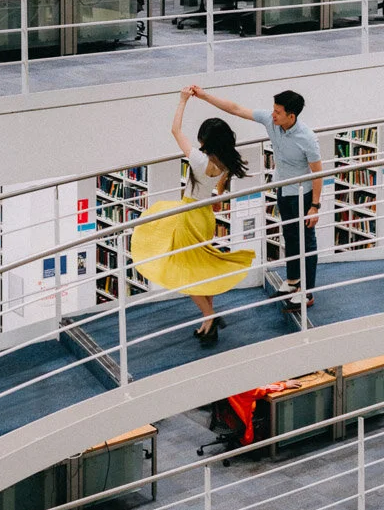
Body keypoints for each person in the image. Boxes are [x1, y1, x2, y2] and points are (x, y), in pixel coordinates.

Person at [130, 88, 255, 348]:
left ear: (206, 140)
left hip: (189, 216)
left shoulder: (199, 160)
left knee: (187, 274)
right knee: (200, 267)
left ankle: (210, 315)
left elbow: (175, 131)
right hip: (206, 217)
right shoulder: (226, 162)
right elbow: (219, 195)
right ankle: (208, 323)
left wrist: (182, 101)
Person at [191, 86, 322, 307]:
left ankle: (307, 292)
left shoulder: (307, 138)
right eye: (273, 110)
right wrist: (204, 96)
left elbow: (318, 173)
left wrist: (315, 206)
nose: (273, 114)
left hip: (303, 193)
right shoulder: (271, 121)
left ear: (292, 116)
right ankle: (292, 281)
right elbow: (235, 108)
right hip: (283, 188)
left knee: (306, 241)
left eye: (278, 112)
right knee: (289, 236)